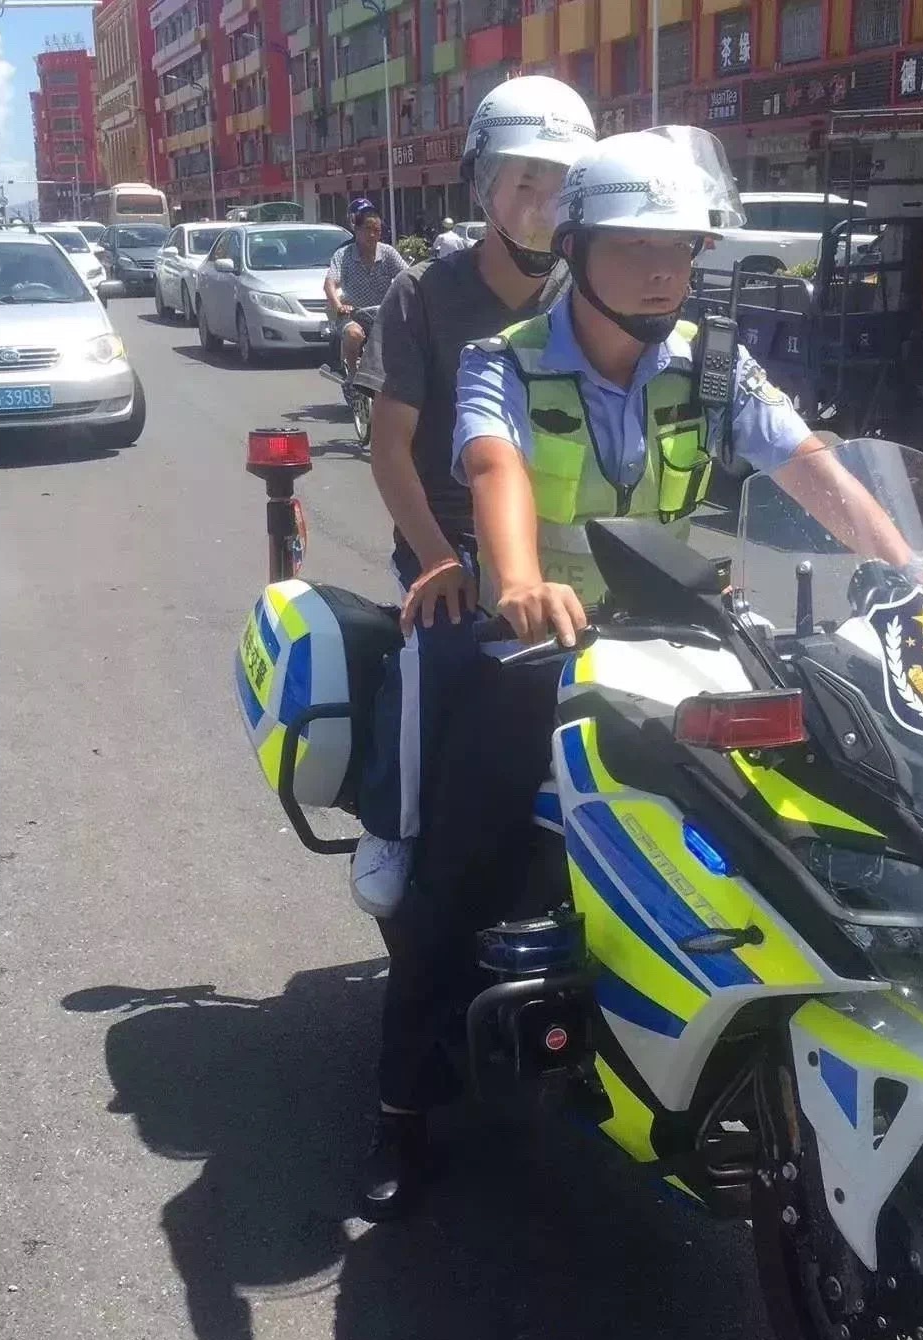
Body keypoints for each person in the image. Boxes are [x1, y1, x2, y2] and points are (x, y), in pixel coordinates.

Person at [363, 126, 923, 1219]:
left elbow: (810, 462)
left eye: (681, 249)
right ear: (578, 249)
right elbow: (494, 464)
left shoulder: (714, 364)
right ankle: (404, 1101)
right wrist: (519, 578)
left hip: (676, 639)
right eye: (637, 245)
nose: (663, 272)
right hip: (535, 646)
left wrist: (909, 567)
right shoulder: (504, 359)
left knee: (813, 796)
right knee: (459, 863)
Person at [349, 75, 596, 1217]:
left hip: (575, 582)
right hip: (456, 573)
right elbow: (391, 446)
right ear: (485, 186)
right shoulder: (427, 293)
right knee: (444, 844)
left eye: (561, 182)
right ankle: (403, 1099)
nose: (543, 201)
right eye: (524, 180)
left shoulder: (597, 286)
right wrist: (441, 557)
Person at [323, 207, 407, 379]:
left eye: (377, 230)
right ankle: (352, 376)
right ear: (357, 230)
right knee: (353, 334)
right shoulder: (343, 255)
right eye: (368, 229)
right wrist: (339, 306)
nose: (372, 235)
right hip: (352, 315)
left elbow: (407, 277)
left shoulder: (388, 253)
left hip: (383, 315)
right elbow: (329, 284)